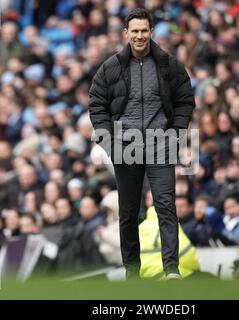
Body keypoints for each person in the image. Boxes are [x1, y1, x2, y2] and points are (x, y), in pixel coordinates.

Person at [88, 8, 195, 279]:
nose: (139, 36)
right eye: (134, 31)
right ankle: (132, 273)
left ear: (151, 32)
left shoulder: (168, 65)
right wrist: (109, 142)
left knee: (166, 206)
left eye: (144, 30)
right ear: (126, 33)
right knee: (128, 213)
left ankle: (172, 270)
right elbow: (97, 105)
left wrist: (178, 130)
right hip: (126, 147)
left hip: (161, 143)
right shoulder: (110, 67)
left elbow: (185, 99)